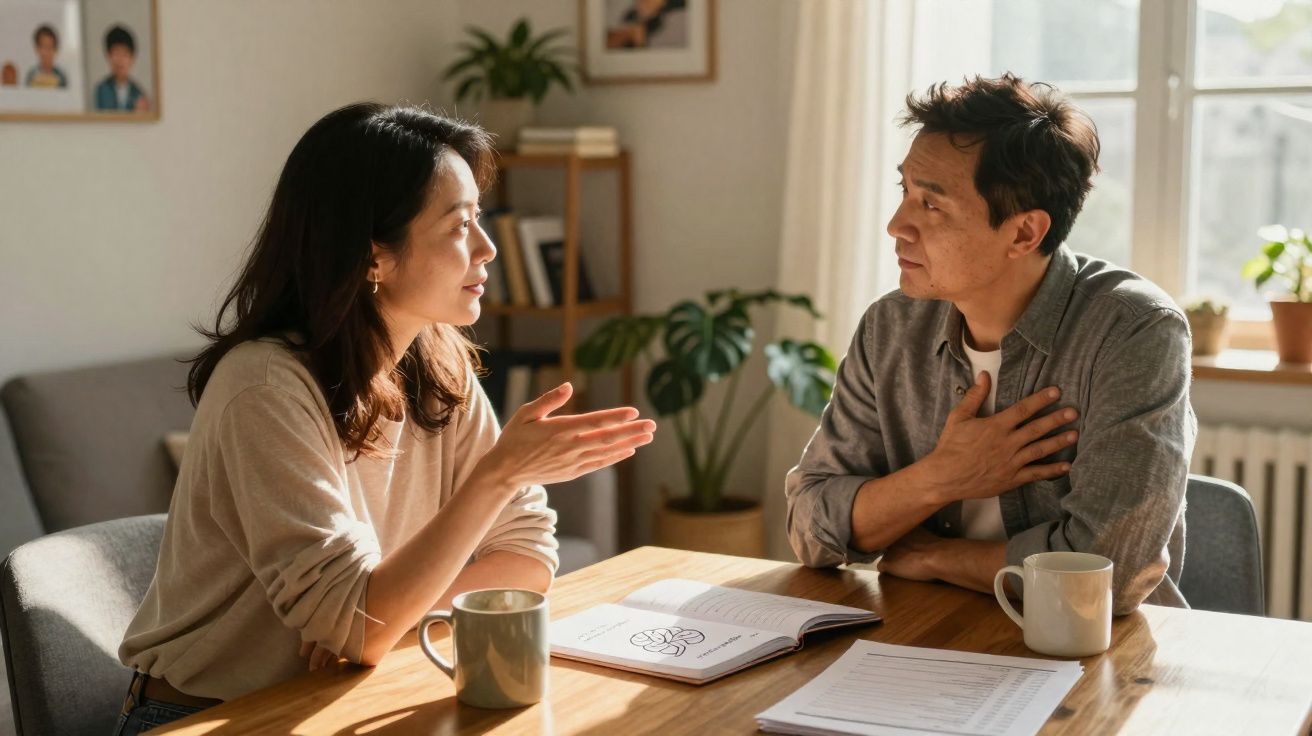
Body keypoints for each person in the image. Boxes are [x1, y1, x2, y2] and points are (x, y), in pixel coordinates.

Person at [114, 103, 656, 734]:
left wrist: (382, 621)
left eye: (480, 219)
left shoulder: (436, 361)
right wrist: (495, 478)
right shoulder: (265, 386)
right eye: (458, 227)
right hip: (207, 718)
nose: (486, 249)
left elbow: (528, 558)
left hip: (342, 695)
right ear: (374, 257)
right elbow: (357, 625)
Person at [785, 74, 1194, 617]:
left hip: (1092, 655)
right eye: (904, 191)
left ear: (1024, 234)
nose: (895, 225)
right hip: (917, 637)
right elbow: (810, 526)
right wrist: (940, 478)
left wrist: (936, 557)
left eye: (932, 206)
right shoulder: (891, 326)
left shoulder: (1136, 330)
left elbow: (1105, 574)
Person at [94, 25, 150, 112]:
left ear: (132, 59)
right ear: (108, 56)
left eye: (124, 54)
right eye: (116, 53)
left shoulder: (138, 92)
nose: (120, 60)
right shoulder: (102, 89)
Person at [24, 24, 67, 88]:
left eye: (50, 47)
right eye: (43, 47)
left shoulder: (61, 77)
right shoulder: (32, 75)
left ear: (55, 50)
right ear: (37, 49)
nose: (47, 52)